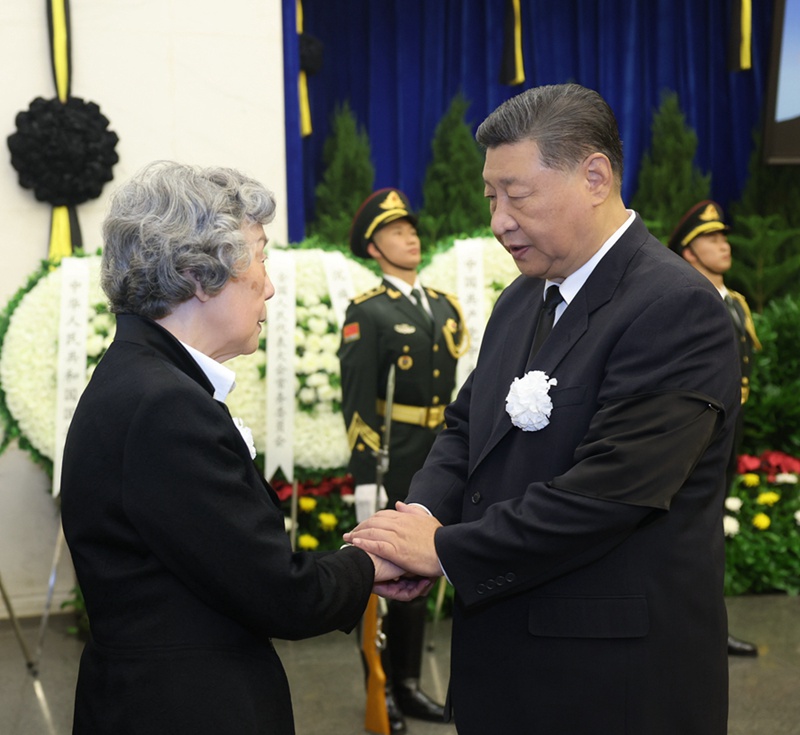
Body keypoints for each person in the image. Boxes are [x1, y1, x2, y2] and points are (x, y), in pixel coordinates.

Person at [345, 84, 740, 735]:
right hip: (506, 670)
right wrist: (419, 514)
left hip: (611, 685)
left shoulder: (675, 306)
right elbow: (467, 426)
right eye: (490, 198)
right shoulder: (521, 300)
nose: (499, 219)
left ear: (595, 175)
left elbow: (610, 493)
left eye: (517, 195)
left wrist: (442, 551)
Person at [59, 161, 421, 735]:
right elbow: (278, 593)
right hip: (186, 708)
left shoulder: (142, 375)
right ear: (198, 275)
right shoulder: (165, 406)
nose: (270, 285)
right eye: (259, 256)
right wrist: (372, 563)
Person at [338, 188, 468, 733]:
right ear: (373, 246)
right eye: (395, 231)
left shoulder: (442, 305)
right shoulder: (367, 312)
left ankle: (411, 684)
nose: (409, 237)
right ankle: (383, 684)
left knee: (427, 568)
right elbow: (358, 402)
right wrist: (366, 479)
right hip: (396, 456)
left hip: (442, 453)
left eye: (412, 228)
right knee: (389, 576)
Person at [668, 199, 762, 657]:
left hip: (730, 424)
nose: (723, 245)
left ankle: (707, 626)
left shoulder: (735, 302)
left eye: (724, 236)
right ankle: (683, 628)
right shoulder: (688, 300)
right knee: (687, 528)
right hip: (696, 427)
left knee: (711, 527)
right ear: (688, 251)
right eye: (711, 238)